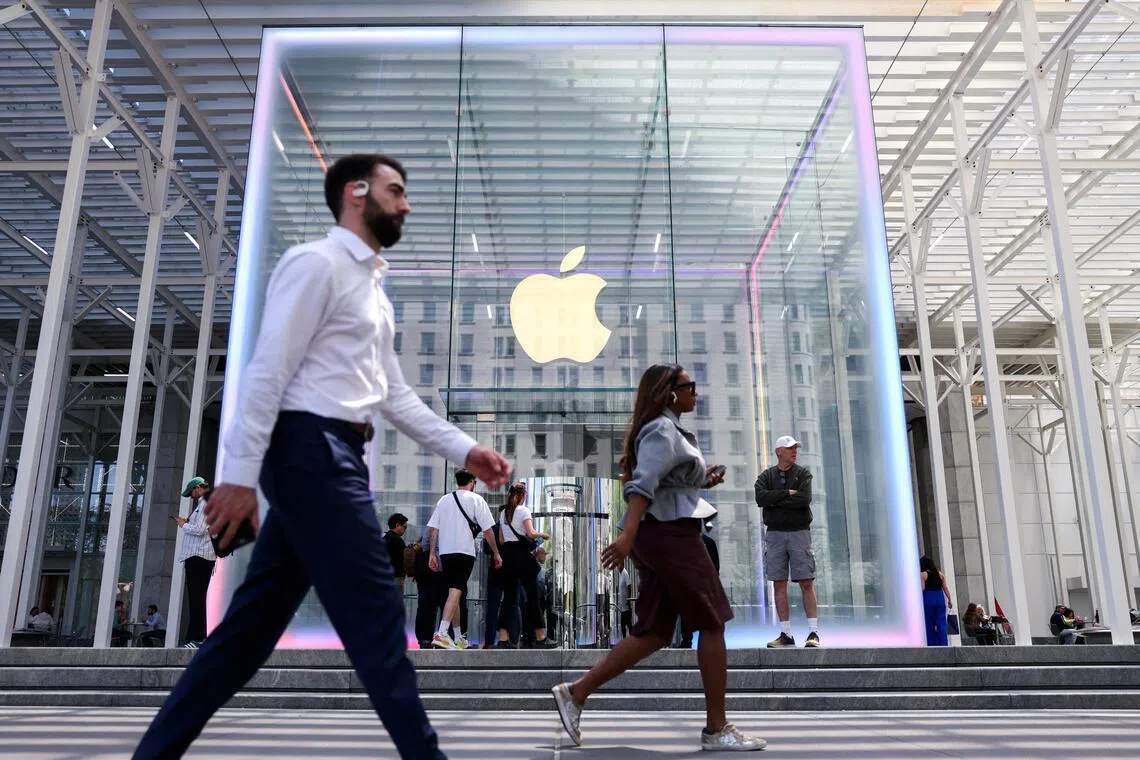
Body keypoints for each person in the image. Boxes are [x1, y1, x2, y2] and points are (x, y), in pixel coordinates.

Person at [133, 154, 511, 760]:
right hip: (312, 452)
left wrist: (466, 449)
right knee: (380, 620)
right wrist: (235, 479)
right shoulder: (316, 264)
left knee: (244, 637)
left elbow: (395, 398)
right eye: (397, 191)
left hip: (334, 457)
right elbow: (265, 374)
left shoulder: (372, 292)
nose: (407, 204)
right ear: (357, 194)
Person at [552, 364, 765, 752]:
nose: (695, 393)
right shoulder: (661, 431)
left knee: (654, 633)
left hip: (664, 532)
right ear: (669, 393)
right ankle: (717, 729)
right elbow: (641, 487)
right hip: (670, 534)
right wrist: (627, 535)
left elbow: (665, 480)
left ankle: (575, 693)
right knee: (713, 622)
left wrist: (702, 478)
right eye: (689, 386)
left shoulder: (670, 431)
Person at [427, 468, 503, 649]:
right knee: (456, 591)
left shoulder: (444, 499)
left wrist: (431, 553)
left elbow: (434, 529)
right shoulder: (477, 499)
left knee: (455, 591)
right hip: (464, 552)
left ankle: (459, 637)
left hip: (446, 552)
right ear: (472, 482)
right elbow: (488, 531)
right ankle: (442, 633)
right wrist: (496, 553)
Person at [755, 436, 819, 648]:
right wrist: (786, 493)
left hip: (799, 532)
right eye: (790, 448)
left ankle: (813, 633)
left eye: (795, 448)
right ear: (778, 451)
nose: (794, 451)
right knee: (778, 582)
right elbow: (760, 499)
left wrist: (776, 500)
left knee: (806, 581)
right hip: (774, 534)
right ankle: (786, 634)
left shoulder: (803, 474)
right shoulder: (766, 476)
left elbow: (804, 499)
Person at [498, 480, 555, 648]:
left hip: (507, 556)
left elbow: (501, 539)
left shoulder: (503, 513)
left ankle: (503, 639)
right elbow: (530, 533)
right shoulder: (524, 510)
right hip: (522, 557)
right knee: (532, 597)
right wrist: (544, 535)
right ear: (523, 495)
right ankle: (540, 637)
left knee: (508, 599)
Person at [173, 476, 214, 648]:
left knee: (196, 599)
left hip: (198, 557)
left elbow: (199, 530)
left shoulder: (205, 504)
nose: (191, 496)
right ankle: (195, 636)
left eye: (191, 492)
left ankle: (196, 637)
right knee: (197, 598)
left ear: (198, 488)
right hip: (201, 557)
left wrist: (183, 524)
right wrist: (188, 522)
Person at [679, 521, 721, 649]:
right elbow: (715, 568)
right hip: (700, 584)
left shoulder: (686, 543)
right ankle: (695, 641)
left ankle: (688, 641)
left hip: (694, 584)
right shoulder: (708, 542)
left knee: (688, 613)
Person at [920, 556, 953, 646]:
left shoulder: (923, 575)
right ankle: (943, 644)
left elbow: (922, 589)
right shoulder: (940, 574)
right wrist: (950, 600)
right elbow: (945, 588)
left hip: (928, 598)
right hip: (940, 598)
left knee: (929, 622)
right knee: (941, 622)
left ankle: (932, 644)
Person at [384, 513, 409, 585]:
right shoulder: (397, 540)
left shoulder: (385, 537)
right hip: (397, 576)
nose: (405, 530)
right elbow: (404, 557)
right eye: (404, 527)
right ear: (397, 525)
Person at [618, 565, 633, 639]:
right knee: (623, 625)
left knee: (628, 624)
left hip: (626, 606)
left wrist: (628, 599)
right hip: (622, 606)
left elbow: (629, 585)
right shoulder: (620, 574)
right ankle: (625, 640)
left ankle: (631, 640)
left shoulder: (625, 573)